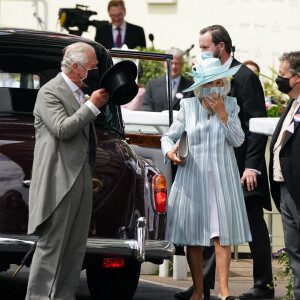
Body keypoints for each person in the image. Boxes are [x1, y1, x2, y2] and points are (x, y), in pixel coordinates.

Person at [175, 25, 273, 300]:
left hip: (242, 168)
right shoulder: (208, 77)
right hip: (213, 167)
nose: (201, 52)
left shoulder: (245, 76)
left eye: (205, 47)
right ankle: (202, 286)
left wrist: (252, 166)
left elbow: (255, 124)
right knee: (211, 227)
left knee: (253, 224)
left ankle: (263, 285)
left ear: (220, 47)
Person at [161, 57, 252, 300]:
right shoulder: (188, 107)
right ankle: (199, 290)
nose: (218, 86)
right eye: (213, 82)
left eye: (221, 81)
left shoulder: (231, 105)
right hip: (193, 175)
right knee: (193, 236)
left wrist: (224, 116)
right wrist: (170, 153)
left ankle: (225, 292)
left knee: (221, 235)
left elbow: (238, 140)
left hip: (223, 176)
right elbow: (168, 137)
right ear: (202, 86)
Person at [25, 42, 109, 300]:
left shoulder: (80, 93)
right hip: (59, 180)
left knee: (74, 248)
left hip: (82, 178)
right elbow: (62, 128)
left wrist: (91, 104)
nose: (96, 71)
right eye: (93, 66)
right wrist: (92, 106)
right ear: (76, 67)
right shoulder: (50, 92)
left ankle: (64, 296)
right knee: (51, 247)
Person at [269, 51, 300, 300]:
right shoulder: (292, 104)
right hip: (285, 188)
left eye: (282, 75)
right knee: (294, 251)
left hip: (297, 189)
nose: (278, 80)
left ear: (298, 78)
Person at [142, 47, 193, 112]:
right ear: (164, 63)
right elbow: (146, 107)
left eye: (177, 63)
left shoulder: (190, 87)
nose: (174, 66)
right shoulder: (152, 85)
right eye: (171, 63)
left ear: (182, 65)